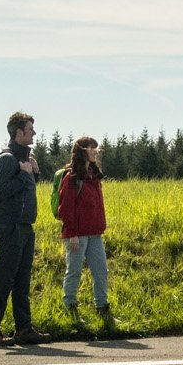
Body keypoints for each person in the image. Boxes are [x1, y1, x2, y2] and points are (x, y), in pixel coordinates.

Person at [0, 112, 45, 347]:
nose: (34, 133)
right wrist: (25, 174)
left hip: (25, 225)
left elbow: (25, 191)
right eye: (30, 130)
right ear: (18, 133)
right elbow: (3, 190)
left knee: (22, 280)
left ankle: (24, 329)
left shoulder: (25, 158)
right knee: (5, 278)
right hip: (10, 226)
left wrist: (33, 174)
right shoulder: (6, 159)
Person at [56, 135, 117, 336]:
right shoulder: (72, 177)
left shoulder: (94, 174)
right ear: (82, 150)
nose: (95, 151)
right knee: (74, 271)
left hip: (94, 234)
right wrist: (72, 234)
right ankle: (70, 307)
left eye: (96, 148)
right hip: (76, 235)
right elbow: (66, 208)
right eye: (91, 148)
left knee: (101, 271)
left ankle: (103, 309)